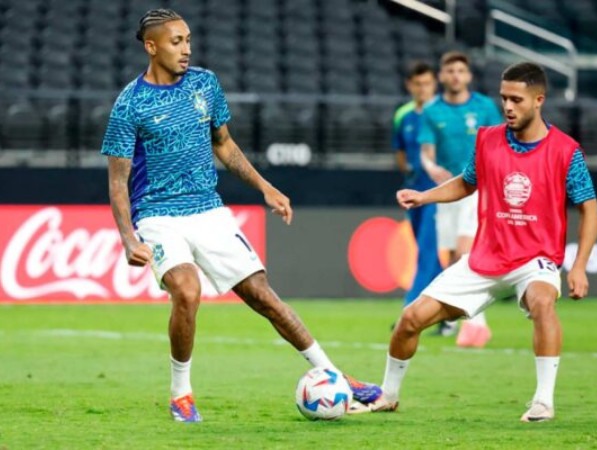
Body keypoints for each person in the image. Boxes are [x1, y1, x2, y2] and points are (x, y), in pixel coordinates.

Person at [101, 8, 380, 423]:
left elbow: (225, 145)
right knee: (187, 290)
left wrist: (265, 187)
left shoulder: (205, 84)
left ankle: (335, 375)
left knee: (265, 297)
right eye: (176, 41)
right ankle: (181, 395)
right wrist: (128, 238)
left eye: (189, 40)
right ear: (151, 45)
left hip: (209, 211)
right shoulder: (130, 104)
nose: (186, 49)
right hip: (158, 216)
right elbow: (118, 180)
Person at [349, 62, 597, 422]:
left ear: (539, 100)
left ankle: (543, 401)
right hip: (485, 257)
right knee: (410, 319)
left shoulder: (565, 151)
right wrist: (425, 197)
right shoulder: (487, 139)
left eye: (517, 99)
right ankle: (387, 396)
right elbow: (467, 182)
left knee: (544, 304)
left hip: (535, 259)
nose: (508, 106)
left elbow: (590, 210)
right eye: (504, 98)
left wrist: (578, 267)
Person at [418, 51, 503, 346]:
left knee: (466, 253)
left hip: (478, 188)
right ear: (442, 76)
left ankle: (476, 324)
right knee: (450, 257)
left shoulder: (484, 107)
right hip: (446, 191)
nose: (455, 75)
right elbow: (426, 150)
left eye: (460, 71)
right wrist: (431, 168)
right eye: (450, 70)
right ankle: (459, 317)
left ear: (468, 76)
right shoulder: (432, 111)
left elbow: (499, 142)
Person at [392, 62, 443, 306]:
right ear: (409, 85)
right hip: (414, 192)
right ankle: (448, 315)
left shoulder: (444, 112)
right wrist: (409, 173)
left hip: (439, 194)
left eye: (427, 83)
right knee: (430, 255)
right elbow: (399, 150)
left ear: (434, 84)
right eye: (417, 84)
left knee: (425, 249)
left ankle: (410, 308)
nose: (422, 89)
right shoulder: (403, 115)